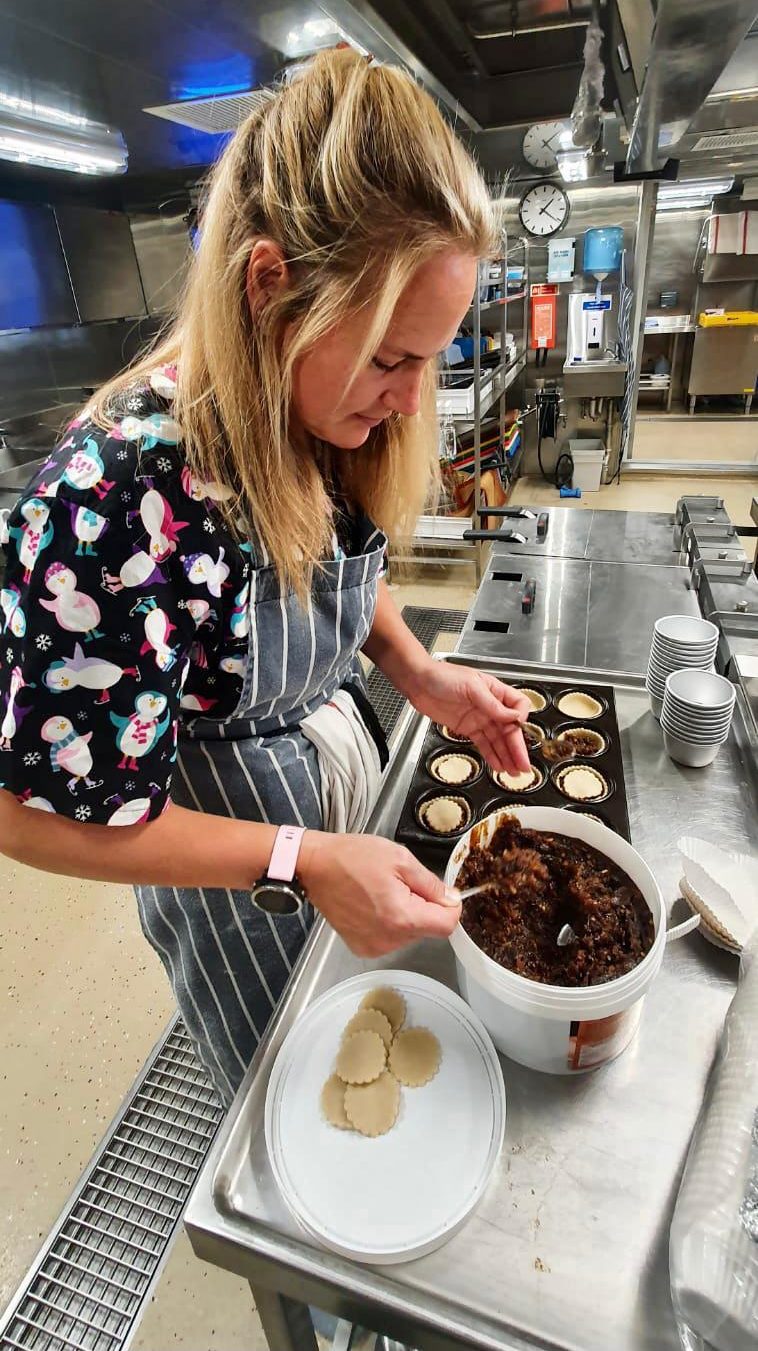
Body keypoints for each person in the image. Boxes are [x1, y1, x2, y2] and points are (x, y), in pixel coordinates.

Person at [0, 49, 530, 1107]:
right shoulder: (119, 499)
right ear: (268, 286)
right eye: (390, 358)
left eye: (430, 356)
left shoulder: (311, 410)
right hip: (241, 880)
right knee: (295, 1117)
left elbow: (329, 563)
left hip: (334, 803)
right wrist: (299, 860)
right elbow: (27, 810)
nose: (410, 396)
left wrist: (418, 673)